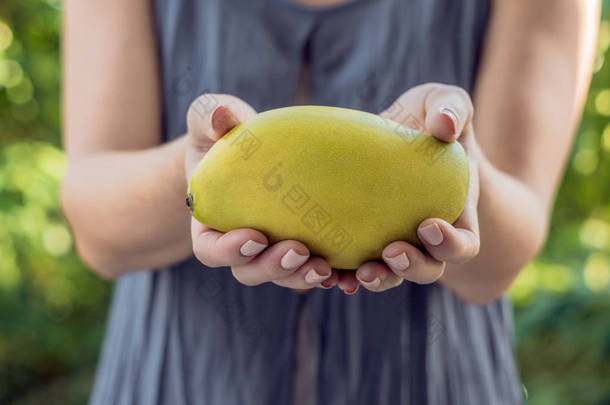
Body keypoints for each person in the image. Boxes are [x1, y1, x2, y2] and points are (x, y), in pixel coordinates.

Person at [60, 0, 600, 403]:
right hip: (179, 379)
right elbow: (97, 231)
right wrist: (200, 175)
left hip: (431, 383)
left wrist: (458, 165)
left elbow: (498, 266)